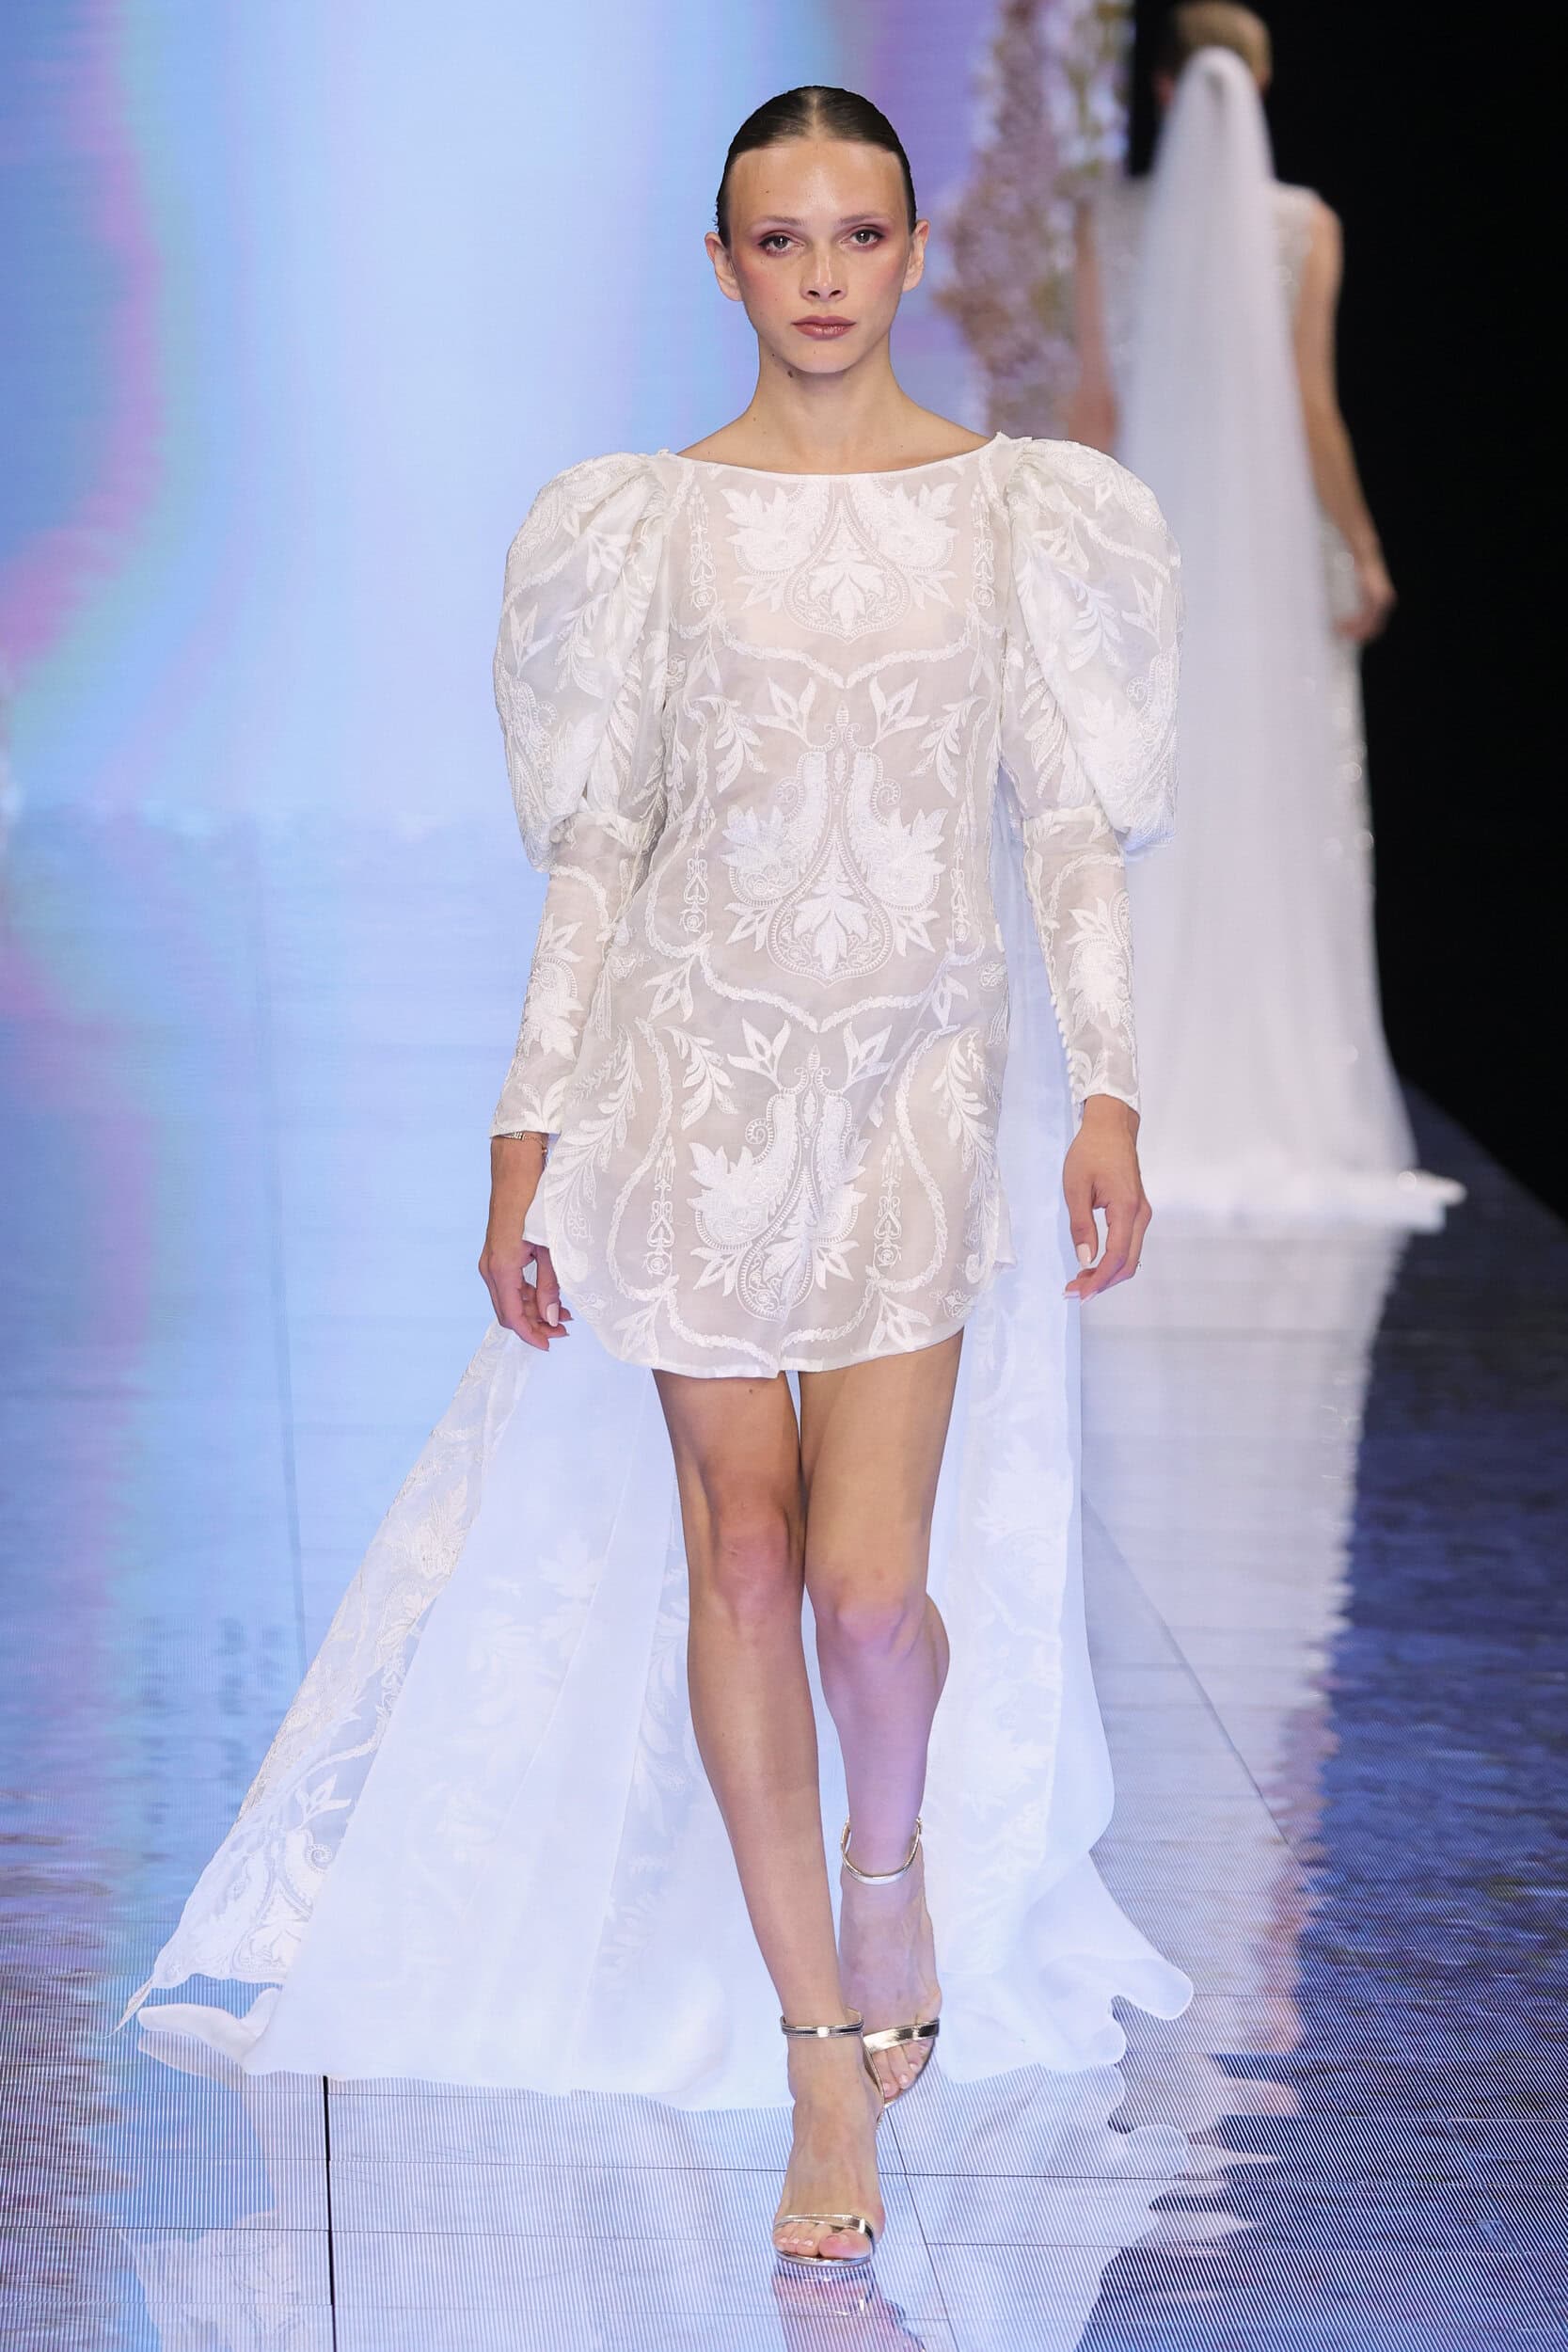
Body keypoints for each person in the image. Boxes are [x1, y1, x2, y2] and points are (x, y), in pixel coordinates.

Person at [126, 87, 1189, 2273]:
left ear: (912, 251)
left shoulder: (1014, 515)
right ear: (722, 266)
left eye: (859, 233)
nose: (823, 275)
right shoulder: (646, 526)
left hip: (914, 1088)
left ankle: (889, 1861)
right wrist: (528, 1124)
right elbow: (602, 848)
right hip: (691, 1086)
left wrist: (1111, 1090)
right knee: (747, 1552)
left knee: (870, 1593)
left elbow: (1070, 824)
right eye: (780, 240)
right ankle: (819, 2050)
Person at [1069, 7, 1460, 1226]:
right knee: (1270, 802)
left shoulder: (1106, 222)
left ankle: (1123, 1093)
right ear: (1265, 81)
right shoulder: (1303, 228)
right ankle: (1275, 1088)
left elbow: (1093, 407)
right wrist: (1361, 547)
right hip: (1268, 568)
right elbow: (1311, 407)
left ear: (1165, 89)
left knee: (1146, 799)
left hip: (1145, 551)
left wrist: (1066, 556)